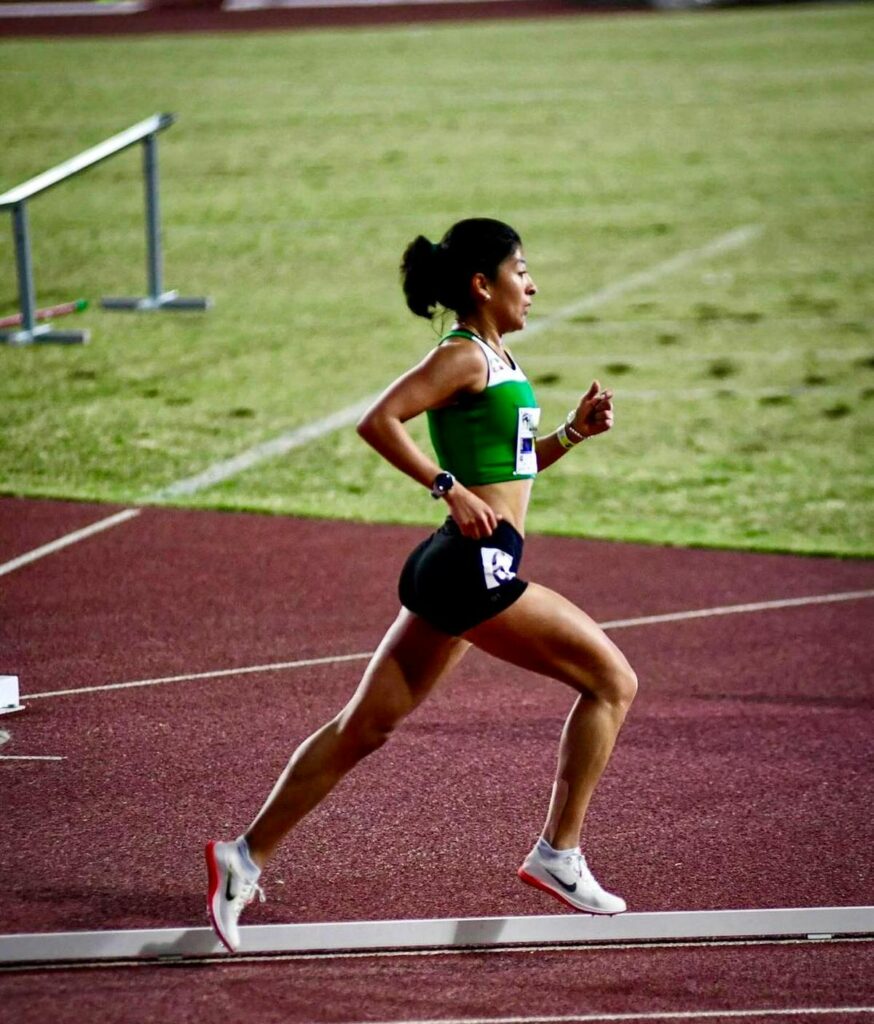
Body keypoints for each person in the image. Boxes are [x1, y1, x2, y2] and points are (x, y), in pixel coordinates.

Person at [205, 217, 638, 953]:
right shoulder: (463, 357)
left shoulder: (496, 357)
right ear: (482, 284)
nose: (532, 285)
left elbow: (510, 467)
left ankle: (242, 858)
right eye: (521, 271)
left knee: (364, 728)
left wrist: (570, 434)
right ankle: (558, 855)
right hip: (475, 568)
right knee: (611, 682)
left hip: (459, 565)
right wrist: (447, 488)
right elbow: (379, 421)